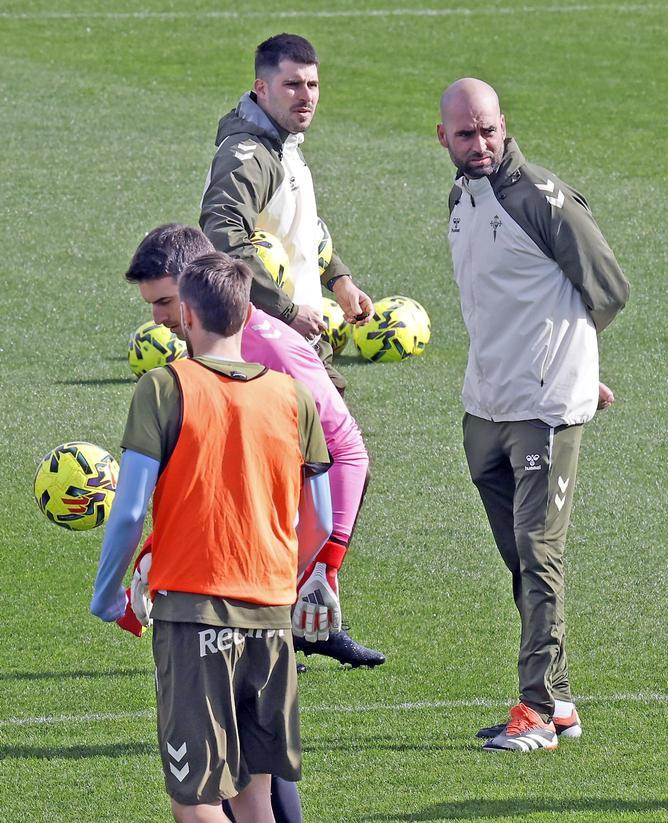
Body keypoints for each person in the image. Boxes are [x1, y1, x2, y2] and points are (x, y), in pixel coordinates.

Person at [90, 253, 335, 823]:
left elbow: (127, 515)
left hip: (195, 615)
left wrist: (108, 595)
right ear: (248, 313)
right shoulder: (292, 397)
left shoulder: (163, 388)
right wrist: (278, 581)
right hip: (272, 618)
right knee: (255, 800)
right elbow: (320, 521)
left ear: (190, 316)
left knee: (195, 801)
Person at [437, 77, 629, 752]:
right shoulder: (461, 198)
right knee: (519, 557)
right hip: (484, 405)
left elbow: (608, 288)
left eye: (489, 129)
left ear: (504, 124)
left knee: (540, 553)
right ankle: (561, 697)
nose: (482, 143)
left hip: (543, 407)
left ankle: (536, 711)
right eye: (467, 134)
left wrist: (577, 365)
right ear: (445, 139)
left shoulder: (543, 198)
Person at [121, 224, 386, 670]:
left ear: (197, 283)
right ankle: (284, 632)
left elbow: (347, 450)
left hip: (277, 528)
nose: (158, 319)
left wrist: (325, 566)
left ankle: (292, 628)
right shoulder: (209, 345)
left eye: (164, 303)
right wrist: (154, 550)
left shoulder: (273, 350)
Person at [200, 32, 373, 392]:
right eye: (292, 84)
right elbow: (223, 238)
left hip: (298, 337)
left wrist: (339, 281)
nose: (306, 96)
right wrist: (287, 312)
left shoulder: (284, 145)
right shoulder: (246, 156)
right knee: (334, 444)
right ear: (261, 88)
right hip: (268, 345)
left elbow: (300, 229)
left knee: (331, 444)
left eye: (312, 84)